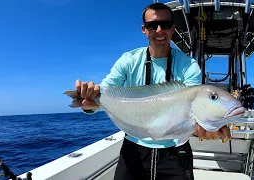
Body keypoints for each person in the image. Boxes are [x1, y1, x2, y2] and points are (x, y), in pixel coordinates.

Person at [75, 3, 231, 180]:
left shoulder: (189, 66)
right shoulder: (128, 60)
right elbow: (103, 94)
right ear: (144, 29)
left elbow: (193, 111)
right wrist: (88, 103)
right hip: (133, 149)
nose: (159, 30)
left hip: (175, 153)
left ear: (172, 29)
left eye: (165, 25)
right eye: (152, 25)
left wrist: (210, 127)